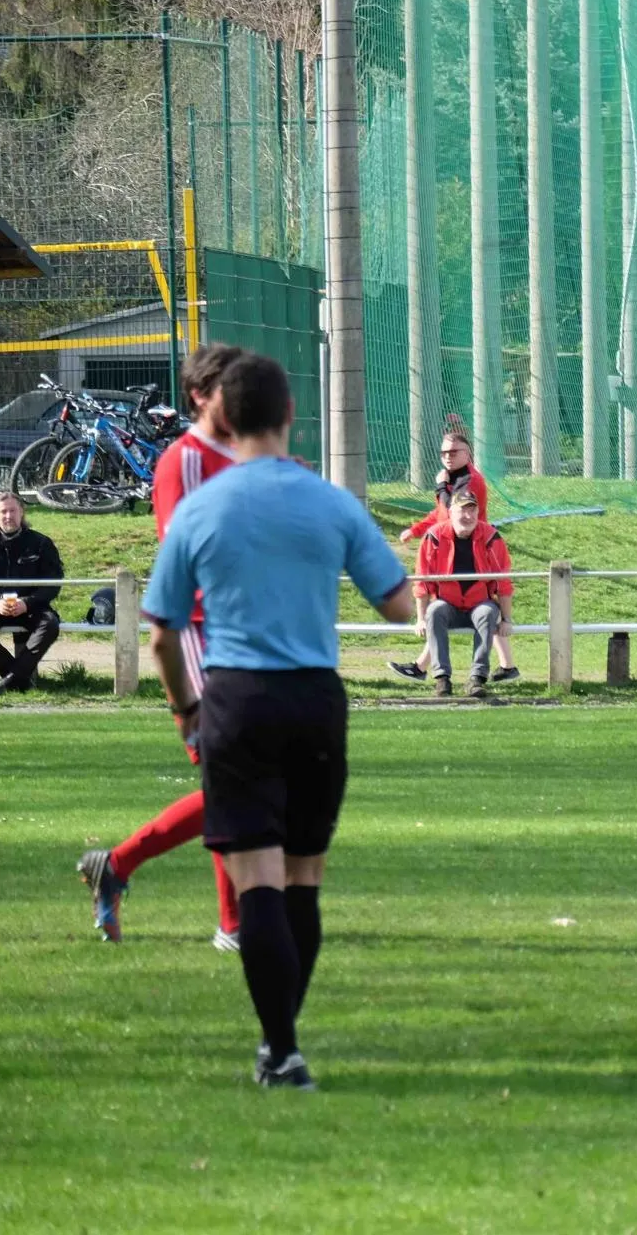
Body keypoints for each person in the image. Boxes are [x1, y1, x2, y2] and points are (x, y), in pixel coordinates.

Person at [142, 350, 415, 1088]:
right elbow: (399, 606)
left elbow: (163, 634)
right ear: (291, 414)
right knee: (303, 880)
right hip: (315, 701)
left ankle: (283, 1049)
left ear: (224, 417)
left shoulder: (200, 508)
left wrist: (187, 708)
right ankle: (279, 1045)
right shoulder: (330, 501)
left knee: (256, 882)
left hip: (235, 699)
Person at [78, 343, 244, 948]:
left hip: (241, 634)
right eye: (231, 386)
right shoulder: (184, 460)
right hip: (199, 632)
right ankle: (234, 925)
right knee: (233, 784)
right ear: (200, 396)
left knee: (243, 784)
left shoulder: (242, 455)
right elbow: (189, 553)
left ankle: (117, 865)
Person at [390, 423, 517, 684]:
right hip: (451, 542)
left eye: (453, 452)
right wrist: (416, 530)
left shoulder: (471, 481)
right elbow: (440, 513)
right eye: (444, 452)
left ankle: (485, 671)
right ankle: (505, 666)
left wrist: (440, 486)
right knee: (450, 605)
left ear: (467, 454)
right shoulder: (453, 479)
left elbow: (454, 511)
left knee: (481, 604)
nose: (447, 456)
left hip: (475, 545)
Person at [414, 489, 513, 698]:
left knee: (487, 612)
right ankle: (442, 679)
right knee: (435, 611)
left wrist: (506, 619)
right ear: (451, 512)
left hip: (480, 603)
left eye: (472, 510)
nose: (468, 516)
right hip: (447, 604)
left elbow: (503, 582)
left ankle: (477, 678)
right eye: (462, 510)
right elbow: (422, 580)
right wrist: (420, 618)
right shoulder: (434, 536)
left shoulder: (491, 537)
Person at [0, 489, 60, 694]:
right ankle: (18, 678)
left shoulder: (41, 543)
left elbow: (53, 584)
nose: (8, 516)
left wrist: (27, 603)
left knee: (50, 624)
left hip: (31, 607)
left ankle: (12, 680)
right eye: (3, 512)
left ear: (22, 512)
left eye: (13, 511)